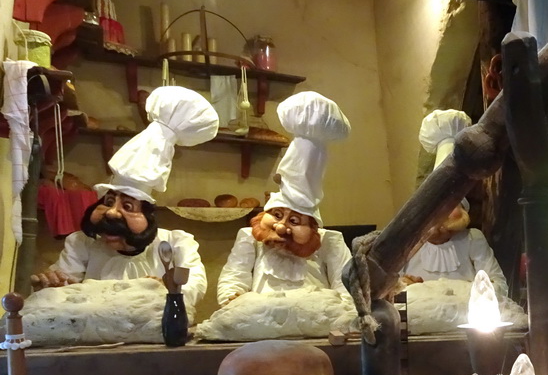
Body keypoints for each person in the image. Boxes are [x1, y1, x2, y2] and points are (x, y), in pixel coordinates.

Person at [32, 86, 216, 318]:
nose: (111, 213)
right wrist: (54, 286)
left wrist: (169, 289)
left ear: (149, 215)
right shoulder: (81, 243)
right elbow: (64, 290)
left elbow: (193, 286)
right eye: (108, 202)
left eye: (127, 207)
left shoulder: (176, 244)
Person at [217, 91, 354, 305]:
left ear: (313, 226)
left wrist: (341, 311)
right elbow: (234, 277)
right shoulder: (250, 239)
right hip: (260, 320)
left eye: (295, 221)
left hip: (317, 319)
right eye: (277, 215)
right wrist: (232, 300)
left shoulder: (330, 242)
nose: (281, 228)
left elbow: (346, 285)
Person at [401, 109, 508, 297]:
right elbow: (390, 287)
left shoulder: (472, 239)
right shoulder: (407, 243)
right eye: (436, 208)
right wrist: (404, 286)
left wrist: (453, 291)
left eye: (451, 207)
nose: (442, 215)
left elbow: (498, 285)